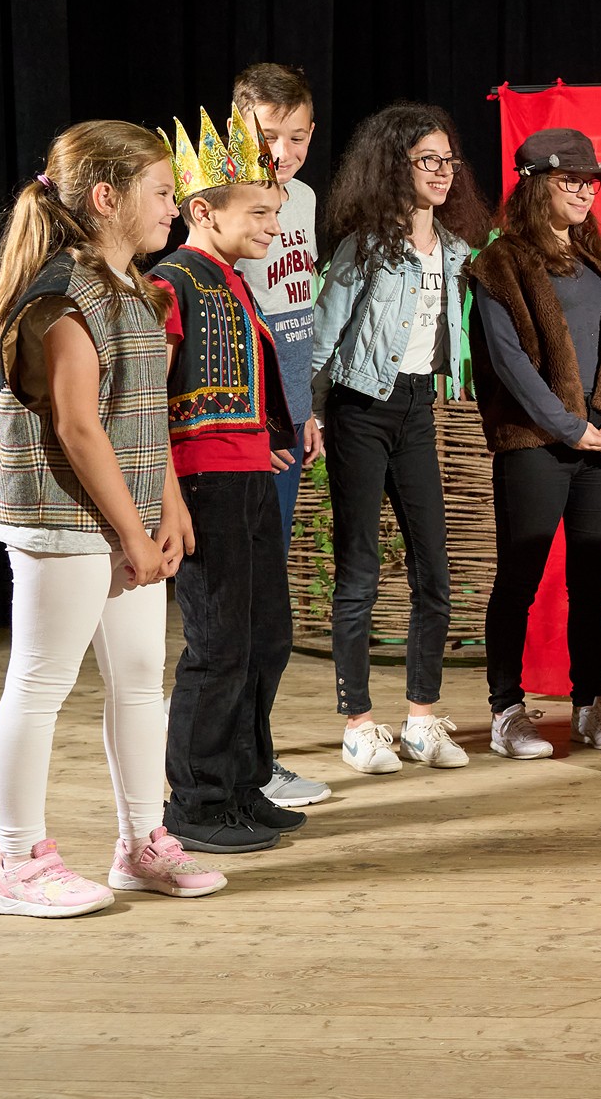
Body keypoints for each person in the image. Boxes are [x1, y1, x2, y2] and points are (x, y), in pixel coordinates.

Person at [0, 120, 225, 915]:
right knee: (41, 680)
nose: (175, 207)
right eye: (162, 192)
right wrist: (131, 531)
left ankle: (141, 842)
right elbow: (79, 427)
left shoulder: (130, 286)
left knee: (140, 677)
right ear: (107, 198)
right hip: (62, 515)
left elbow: (139, 414)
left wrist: (167, 504)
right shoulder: (63, 293)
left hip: (123, 515)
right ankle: (17, 864)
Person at [308, 102, 489, 775]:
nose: (442, 172)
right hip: (359, 408)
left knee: (433, 570)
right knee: (358, 570)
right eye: (426, 160)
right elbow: (323, 339)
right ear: (395, 166)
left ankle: (420, 718)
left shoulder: (457, 251)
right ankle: (358, 724)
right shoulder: (364, 248)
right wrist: (309, 414)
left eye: (448, 160)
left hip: (417, 408)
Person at [151, 107, 299, 855]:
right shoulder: (172, 282)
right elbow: (146, 400)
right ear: (203, 211)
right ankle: (197, 801)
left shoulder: (234, 282)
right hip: (204, 486)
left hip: (245, 480)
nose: (274, 225)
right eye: (260, 213)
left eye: (276, 212)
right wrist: (170, 495)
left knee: (266, 636)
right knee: (218, 646)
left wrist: (258, 439)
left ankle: (242, 784)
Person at [469, 128, 601, 760]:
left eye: (591, 182)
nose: (586, 192)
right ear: (538, 183)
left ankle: (590, 703)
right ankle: (506, 710)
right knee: (520, 578)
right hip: (536, 441)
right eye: (572, 180)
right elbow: (508, 361)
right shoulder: (500, 262)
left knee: (591, 581)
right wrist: (569, 427)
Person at [229, 61, 330, 809]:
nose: (283, 152)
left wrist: (304, 408)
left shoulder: (305, 200)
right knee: (247, 604)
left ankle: (248, 751)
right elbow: (229, 327)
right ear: (241, 127)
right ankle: (235, 757)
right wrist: (255, 423)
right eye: (269, 135)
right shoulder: (226, 204)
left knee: (269, 604)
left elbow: (297, 319)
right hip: (246, 428)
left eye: (296, 136)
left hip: (289, 422)